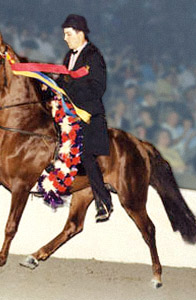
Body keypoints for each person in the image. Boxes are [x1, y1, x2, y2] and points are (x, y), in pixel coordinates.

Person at [56, 14, 112, 222]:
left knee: (86, 155)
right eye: (64, 34)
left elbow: (98, 87)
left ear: (80, 34)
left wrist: (70, 88)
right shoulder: (67, 57)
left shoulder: (94, 56)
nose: (65, 38)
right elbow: (63, 81)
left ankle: (104, 201)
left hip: (88, 116)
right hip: (68, 113)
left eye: (68, 34)